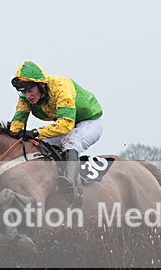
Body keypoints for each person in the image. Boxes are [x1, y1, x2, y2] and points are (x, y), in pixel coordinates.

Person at [10, 60, 103, 206]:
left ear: (41, 85)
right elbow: (16, 126)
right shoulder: (25, 99)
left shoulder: (60, 86)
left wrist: (34, 132)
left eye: (30, 90)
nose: (28, 96)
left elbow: (65, 124)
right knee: (38, 146)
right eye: (24, 92)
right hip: (68, 125)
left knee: (71, 143)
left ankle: (71, 187)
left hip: (89, 122)